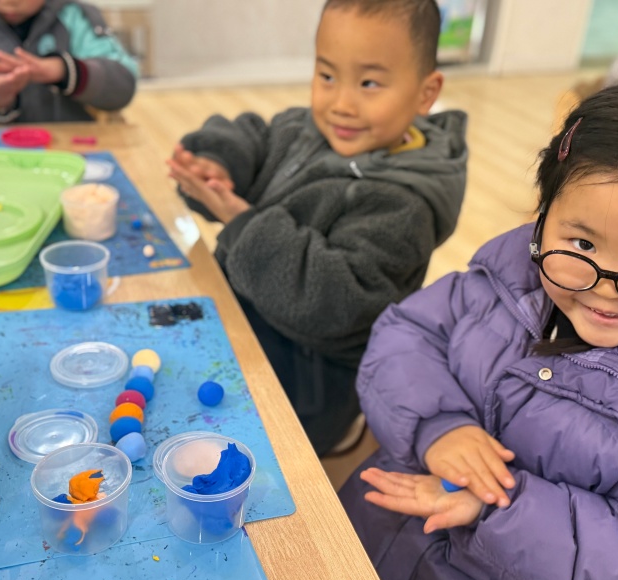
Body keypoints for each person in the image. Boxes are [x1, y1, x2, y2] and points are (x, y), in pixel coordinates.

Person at [338, 80, 618, 580]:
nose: (605, 287)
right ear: (543, 215)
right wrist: (437, 426)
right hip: (359, 545)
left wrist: (496, 507)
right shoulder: (501, 282)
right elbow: (407, 335)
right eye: (582, 243)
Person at [166, 0, 467, 456]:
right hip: (239, 320)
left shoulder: (404, 204)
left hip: (307, 387)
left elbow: (331, 302)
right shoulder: (307, 128)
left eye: (369, 83)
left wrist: (242, 222)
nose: (341, 104)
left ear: (426, 93)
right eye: (327, 75)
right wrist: (218, 164)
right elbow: (251, 135)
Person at [0, 0, 139, 123]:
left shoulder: (75, 17)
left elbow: (122, 87)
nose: (11, 2)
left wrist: (63, 70)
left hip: (72, 148)